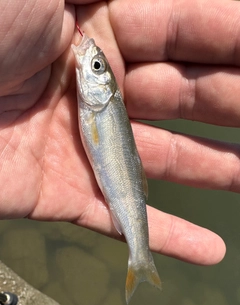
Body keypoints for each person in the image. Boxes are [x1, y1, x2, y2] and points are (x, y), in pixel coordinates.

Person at [1, 0, 240, 266]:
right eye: (98, 67)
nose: (92, 65)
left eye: (96, 68)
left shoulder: (99, 105)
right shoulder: (95, 101)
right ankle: (139, 258)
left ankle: (139, 259)